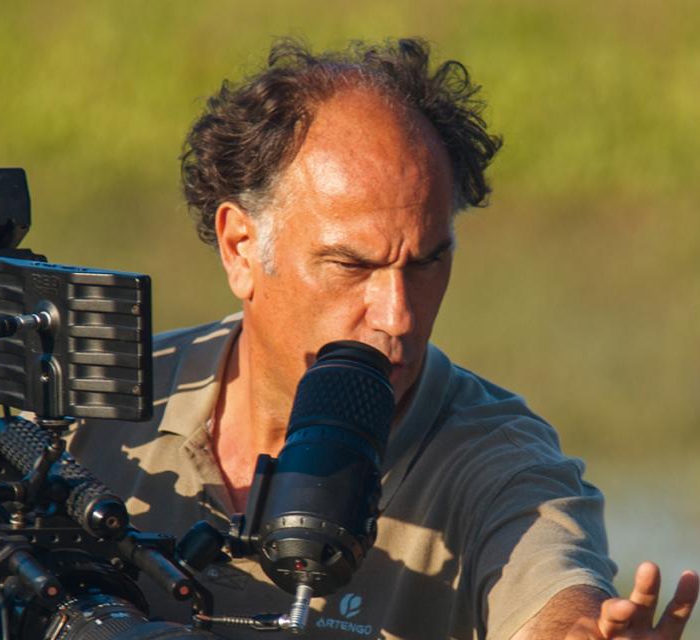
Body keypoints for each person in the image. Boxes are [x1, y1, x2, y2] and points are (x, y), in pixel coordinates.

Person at [69, 38, 698, 639]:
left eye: (426, 263)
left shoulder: (498, 462)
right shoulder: (93, 402)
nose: (397, 316)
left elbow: (556, 587)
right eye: (351, 266)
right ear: (240, 248)